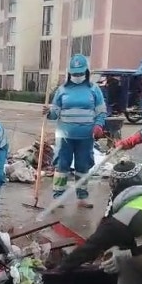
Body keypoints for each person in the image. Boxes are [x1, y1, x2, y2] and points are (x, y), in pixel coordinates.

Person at [44, 54, 107, 208]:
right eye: (74, 73)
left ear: (86, 72)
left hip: (86, 136)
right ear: (69, 73)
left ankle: (82, 197)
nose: (77, 76)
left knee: (83, 166)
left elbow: (101, 111)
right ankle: (58, 196)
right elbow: (54, 114)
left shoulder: (94, 89)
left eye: (80, 73)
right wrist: (48, 111)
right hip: (65, 136)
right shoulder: (62, 90)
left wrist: (99, 125)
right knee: (62, 166)